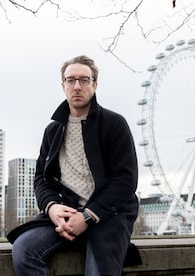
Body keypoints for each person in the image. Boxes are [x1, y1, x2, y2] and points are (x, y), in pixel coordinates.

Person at [9, 55, 140, 275]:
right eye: (70, 80)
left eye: (84, 80)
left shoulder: (114, 124)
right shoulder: (53, 130)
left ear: (95, 85)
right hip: (68, 213)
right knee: (24, 250)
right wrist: (51, 208)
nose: (77, 86)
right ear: (63, 86)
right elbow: (41, 178)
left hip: (109, 214)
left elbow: (126, 180)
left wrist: (88, 216)